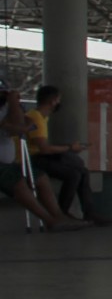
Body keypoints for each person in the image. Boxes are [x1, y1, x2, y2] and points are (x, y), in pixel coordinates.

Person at [27, 85, 106, 224]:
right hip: (33, 159)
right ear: (52, 101)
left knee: (82, 171)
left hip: (40, 156)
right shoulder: (36, 118)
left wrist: (69, 148)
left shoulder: (42, 118)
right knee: (73, 174)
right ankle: (62, 213)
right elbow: (44, 149)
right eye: (58, 99)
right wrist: (69, 148)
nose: (59, 103)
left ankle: (89, 213)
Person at [3, 85, 68, 230]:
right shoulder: (33, 115)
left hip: (11, 161)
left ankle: (59, 216)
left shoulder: (6, 111)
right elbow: (20, 128)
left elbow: (22, 124)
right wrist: (13, 103)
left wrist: (14, 105)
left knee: (41, 177)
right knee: (18, 183)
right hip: (9, 163)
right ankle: (51, 220)